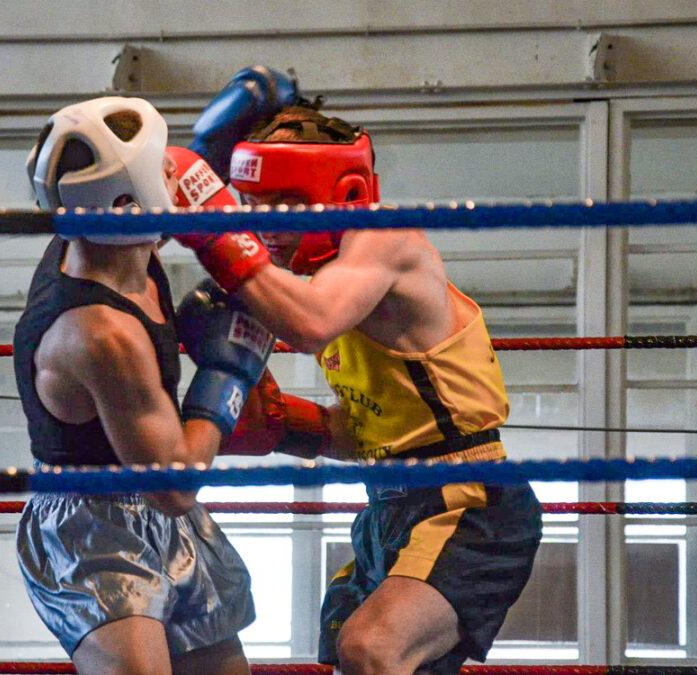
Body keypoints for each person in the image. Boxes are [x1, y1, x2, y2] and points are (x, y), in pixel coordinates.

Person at [176, 105, 543, 674]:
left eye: (287, 202)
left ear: (344, 192)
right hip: (391, 506)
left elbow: (311, 321)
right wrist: (283, 425)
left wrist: (217, 234)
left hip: (467, 502)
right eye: (254, 205)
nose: (266, 221)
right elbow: (364, 430)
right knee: (351, 647)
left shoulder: (383, 237)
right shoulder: (327, 277)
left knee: (371, 647)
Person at [13, 96, 275, 675]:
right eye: (158, 170)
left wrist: (219, 146)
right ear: (129, 200)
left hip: (164, 516)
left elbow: (171, 182)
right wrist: (225, 373)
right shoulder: (101, 334)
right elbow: (175, 488)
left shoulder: (113, 233)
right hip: (90, 528)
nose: (172, 176)